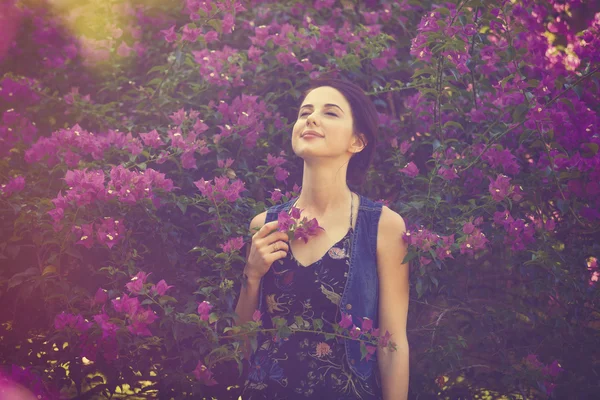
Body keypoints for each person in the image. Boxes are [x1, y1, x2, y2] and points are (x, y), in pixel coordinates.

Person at [235, 77, 410, 399]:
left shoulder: (382, 227)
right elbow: (242, 345)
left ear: (357, 142)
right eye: (305, 112)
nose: (310, 118)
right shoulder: (265, 225)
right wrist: (252, 275)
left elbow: (392, 343)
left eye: (330, 113)